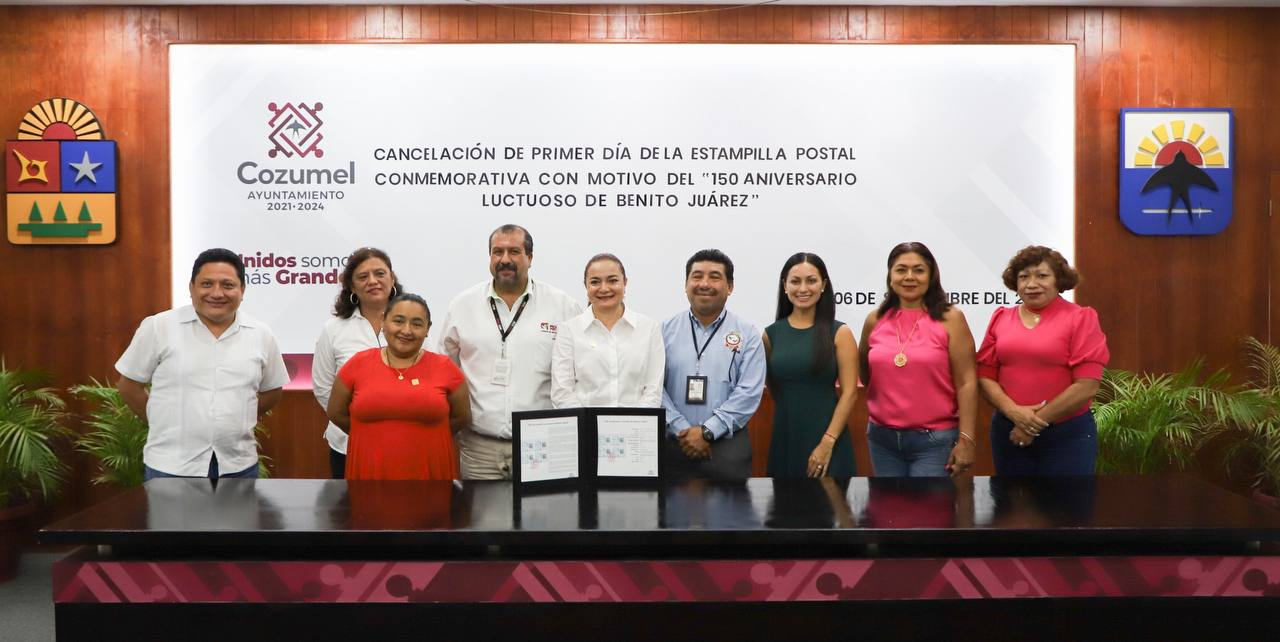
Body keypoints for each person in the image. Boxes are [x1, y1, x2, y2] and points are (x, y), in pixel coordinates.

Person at [116, 248, 289, 480]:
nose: (217, 293)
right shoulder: (159, 327)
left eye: (228, 285)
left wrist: (240, 417)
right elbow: (129, 386)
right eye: (207, 284)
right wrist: (161, 422)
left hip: (237, 465)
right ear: (191, 288)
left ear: (242, 290)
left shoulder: (261, 334)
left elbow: (272, 391)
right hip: (171, 466)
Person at [438, 224, 582, 479]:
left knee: (542, 507)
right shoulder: (462, 305)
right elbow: (444, 369)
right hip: (479, 450)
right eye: (497, 252)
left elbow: (579, 372)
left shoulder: (562, 306)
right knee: (479, 508)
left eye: (514, 251)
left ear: (530, 257)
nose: (505, 259)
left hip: (542, 446)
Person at [977, 245, 1110, 475]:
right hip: (1009, 429)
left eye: (1042, 276)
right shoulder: (1001, 317)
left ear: (1059, 280)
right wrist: (1014, 413)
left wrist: (1032, 424)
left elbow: (1087, 386)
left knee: (1066, 499)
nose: (1031, 284)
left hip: (1067, 434)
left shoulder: (1080, 318)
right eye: (1023, 277)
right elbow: (985, 375)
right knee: (1011, 498)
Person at [858, 242, 979, 477]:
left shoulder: (951, 319)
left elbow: (967, 381)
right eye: (901, 269)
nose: (909, 277)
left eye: (919, 270)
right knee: (888, 502)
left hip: (934, 441)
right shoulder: (875, 319)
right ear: (890, 275)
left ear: (931, 276)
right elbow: (866, 371)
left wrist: (967, 438)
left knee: (928, 503)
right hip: (882, 439)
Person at [327, 293, 470, 480]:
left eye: (417, 324)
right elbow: (336, 412)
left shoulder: (445, 368)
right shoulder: (357, 364)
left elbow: (462, 418)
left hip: (430, 473)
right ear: (383, 321)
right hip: (370, 471)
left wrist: (422, 435)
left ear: (428, 329)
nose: (406, 330)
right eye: (398, 321)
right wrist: (371, 434)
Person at [661, 249, 766, 480]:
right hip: (673, 444)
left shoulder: (748, 334)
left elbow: (749, 392)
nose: (704, 284)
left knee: (730, 504)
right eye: (697, 276)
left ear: (730, 287)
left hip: (727, 448)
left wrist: (708, 431)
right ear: (686, 284)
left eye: (715, 277)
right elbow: (653, 387)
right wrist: (682, 429)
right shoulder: (663, 331)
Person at [312, 247, 405, 479]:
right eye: (363, 277)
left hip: (405, 441)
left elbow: (428, 375)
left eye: (380, 273)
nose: (372, 281)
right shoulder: (334, 329)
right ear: (352, 287)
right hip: (348, 443)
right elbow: (323, 388)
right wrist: (357, 426)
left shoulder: (412, 322)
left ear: (392, 278)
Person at [763, 252, 858, 478]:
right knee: (783, 500)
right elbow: (773, 386)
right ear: (785, 286)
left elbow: (850, 393)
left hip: (828, 439)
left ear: (823, 285)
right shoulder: (770, 335)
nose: (803, 288)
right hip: (785, 437)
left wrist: (828, 441)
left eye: (811, 280)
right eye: (795, 281)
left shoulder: (840, 332)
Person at [551, 253, 665, 408]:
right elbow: (563, 394)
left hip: (637, 423)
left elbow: (653, 392)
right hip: (585, 423)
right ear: (586, 286)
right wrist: (588, 422)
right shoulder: (569, 331)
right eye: (595, 282)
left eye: (612, 281)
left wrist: (632, 422)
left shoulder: (649, 329)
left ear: (625, 283)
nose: (604, 288)